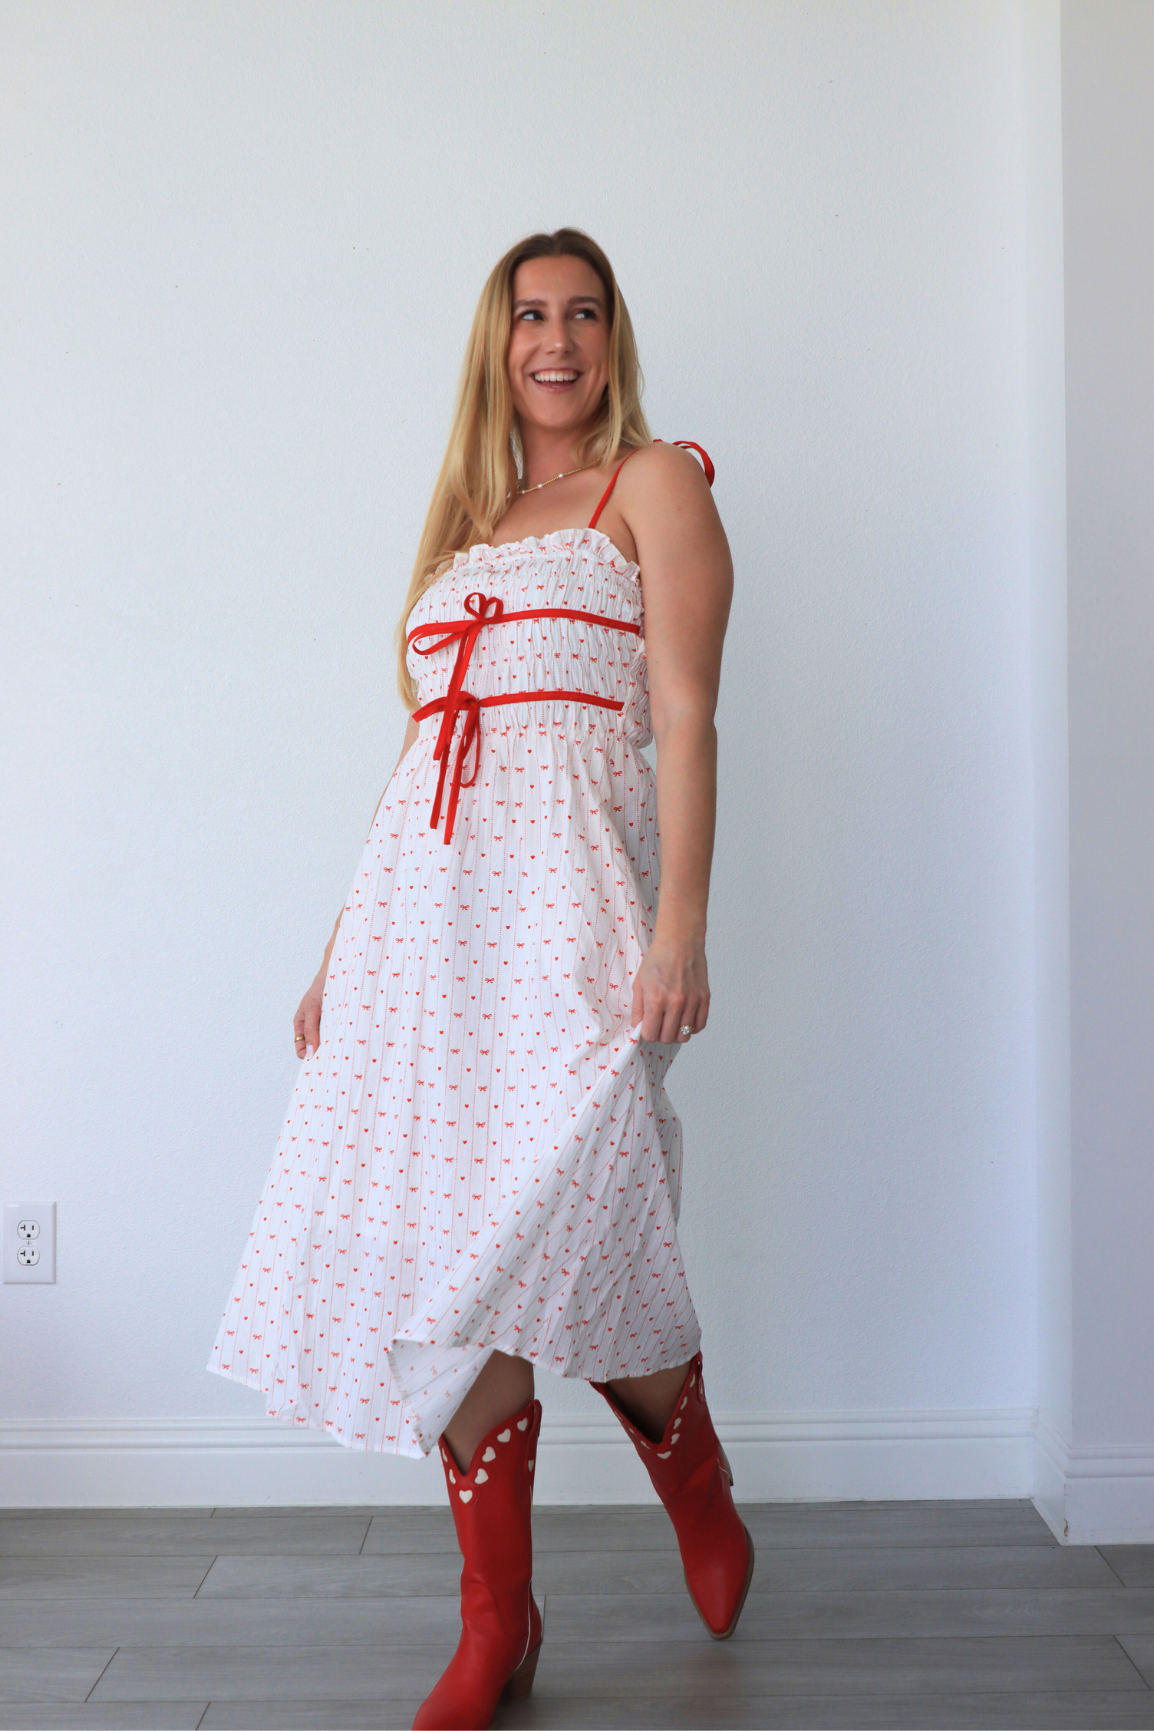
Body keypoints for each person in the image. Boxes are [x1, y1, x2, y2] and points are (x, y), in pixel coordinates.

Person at [206, 227, 746, 1730]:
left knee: (583, 1209)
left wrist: (681, 926)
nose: (554, 339)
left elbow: (686, 719)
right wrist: (342, 950)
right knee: (448, 1268)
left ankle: (690, 1468)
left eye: (582, 312)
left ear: (612, 337)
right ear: (495, 345)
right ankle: (498, 1619)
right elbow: (418, 762)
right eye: (529, 315)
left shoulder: (656, 485)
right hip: (425, 942)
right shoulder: (470, 522)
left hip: (577, 931)